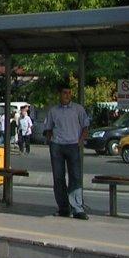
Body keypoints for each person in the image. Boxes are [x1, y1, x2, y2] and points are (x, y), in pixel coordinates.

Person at [41, 85, 90, 220]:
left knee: (75, 177)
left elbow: (85, 126)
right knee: (58, 178)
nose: (67, 95)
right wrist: (50, 141)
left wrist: (80, 141)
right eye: (64, 93)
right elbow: (48, 128)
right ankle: (63, 208)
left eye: (69, 93)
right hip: (57, 145)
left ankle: (77, 208)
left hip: (73, 145)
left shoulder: (78, 109)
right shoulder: (53, 111)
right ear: (60, 94)